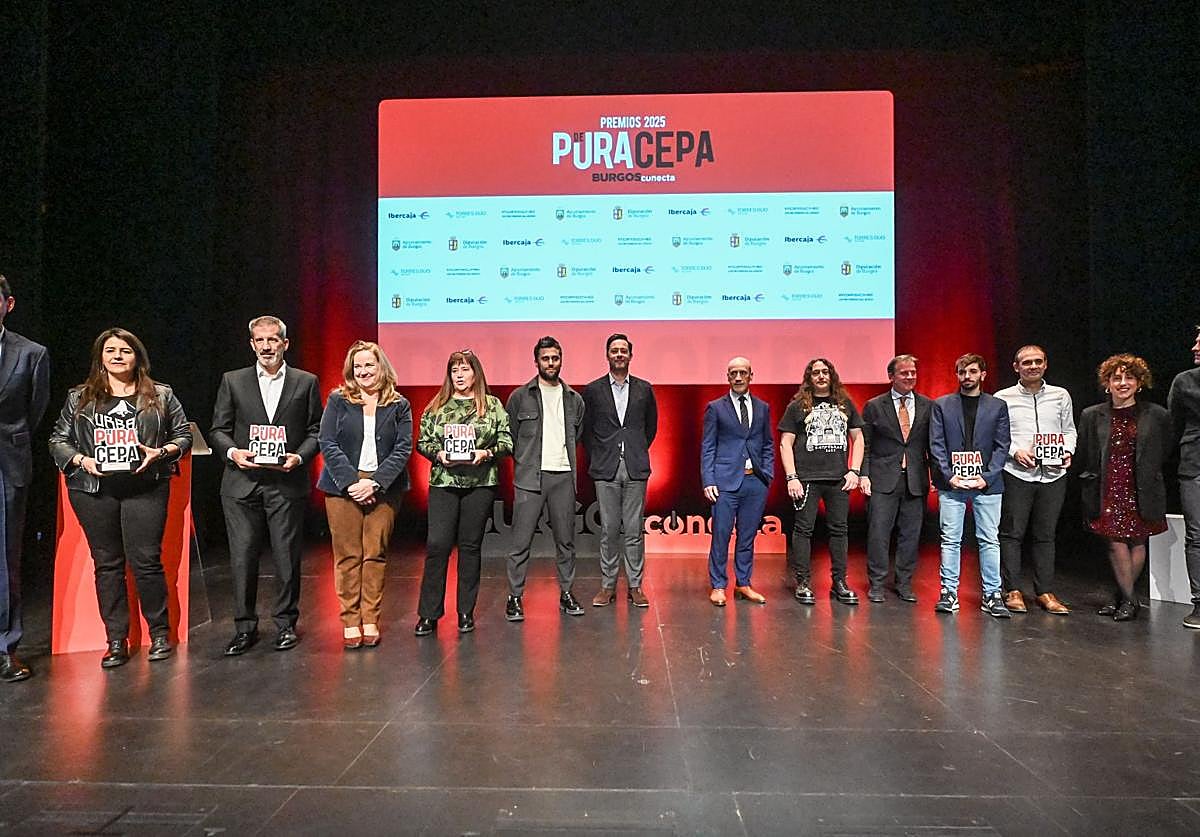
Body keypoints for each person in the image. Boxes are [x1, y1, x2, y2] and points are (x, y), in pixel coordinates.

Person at [48, 328, 191, 668]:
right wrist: (82, 460)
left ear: (137, 357)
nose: (117, 356)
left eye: (125, 350)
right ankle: (116, 640)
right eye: (110, 350)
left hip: (145, 486)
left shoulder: (161, 394)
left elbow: (183, 435)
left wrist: (160, 453)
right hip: (94, 490)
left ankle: (159, 634)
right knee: (108, 565)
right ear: (100, 357)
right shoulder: (79, 397)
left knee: (146, 561)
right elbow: (57, 440)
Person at [211, 315, 322, 655]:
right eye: (260, 340)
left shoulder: (306, 381)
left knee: (286, 557)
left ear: (285, 343)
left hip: (286, 482)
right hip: (241, 483)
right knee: (242, 557)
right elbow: (218, 430)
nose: (266, 346)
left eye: (273, 339)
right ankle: (244, 628)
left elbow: (316, 430)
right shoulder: (233, 380)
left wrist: (298, 457)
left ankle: (285, 625)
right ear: (252, 344)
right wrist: (234, 453)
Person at [317, 341, 411, 648]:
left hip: (384, 488)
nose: (363, 371)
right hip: (342, 488)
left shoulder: (399, 404)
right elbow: (327, 442)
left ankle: (370, 618)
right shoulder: (338, 399)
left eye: (369, 364)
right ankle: (350, 620)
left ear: (381, 367)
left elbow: (403, 448)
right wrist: (351, 483)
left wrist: (375, 483)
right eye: (357, 366)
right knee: (348, 556)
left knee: (375, 553)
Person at [416, 349, 510, 635]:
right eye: (454, 370)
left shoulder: (492, 405)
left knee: (470, 547)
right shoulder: (437, 405)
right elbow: (422, 442)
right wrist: (439, 454)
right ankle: (429, 614)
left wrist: (486, 453)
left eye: (464, 369)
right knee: (437, 545)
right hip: (444, 482)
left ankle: (465, 611)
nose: (459, 375)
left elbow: (507, 442)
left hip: (480, 484)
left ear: (475, 373)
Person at [1076, 354, 1172, 621]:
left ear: (1139, 383)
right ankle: (1129, 598)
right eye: (1116, 378)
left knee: (1138, 539)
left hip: (1142, 487)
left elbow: (1166, 448)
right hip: (1107, 486)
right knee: (1114, 541)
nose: (1122, 383)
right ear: (1107, 383)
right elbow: (1084, 450)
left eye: (1129, 377)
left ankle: (1124, 598)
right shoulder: (1092, 415)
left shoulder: (1157, 414)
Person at [505, 336, 586, 621]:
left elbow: (578, 435)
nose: (551, 363)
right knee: (520, 542)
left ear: (561, 360)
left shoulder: (575, 399)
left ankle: (566, 593)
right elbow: (511, 437)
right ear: (536, 361)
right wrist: (525, 462)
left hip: (563, 476)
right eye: (545, 358)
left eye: (555, 358)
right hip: (530, 478)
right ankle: (514, 597)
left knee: (566, 542)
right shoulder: (520, 397)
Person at [929, 353, 1012, 618]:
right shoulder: (942, 405)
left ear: (982, 374)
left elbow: (1002, 446)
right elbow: (936, 444)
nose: (967, 376)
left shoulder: (997, 406)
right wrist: (948, 475)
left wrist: (987, 477)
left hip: (987, 484)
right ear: (957, 375)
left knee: (989, 539)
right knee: (950, 540)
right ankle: (948, 593)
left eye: (973, 371)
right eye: (962, 372)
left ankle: (992, 594)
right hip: (951, 484)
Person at [995, 345, 1076, 615]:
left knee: (1046, 535)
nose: (1033, 366)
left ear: (1045, 364)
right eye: (1027, 362)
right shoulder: (1002, 398)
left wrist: (1068, 451)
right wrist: (1014, 451)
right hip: (1016, 473)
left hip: (1053, 474)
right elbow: (996, 435)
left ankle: (1044, 592)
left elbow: (1069, 430)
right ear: (1016, 367)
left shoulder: (1060, 395)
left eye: (1037, 361)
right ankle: (1012, 590)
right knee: (1012, 533)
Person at [778, 358, 864, 605]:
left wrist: (854, 471)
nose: (821, 376)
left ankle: (839, 582)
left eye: (825, 372)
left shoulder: (845, 403)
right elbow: (785, 443)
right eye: (815, 372)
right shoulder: (797, 406)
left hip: (839, 479)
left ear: (831, 375)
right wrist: (792, 477)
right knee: (803, 530)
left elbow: (859, 438)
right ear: (809, 377)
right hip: (806, 479)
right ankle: (803, 582)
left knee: (840, 530)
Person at [582, 334, 658, 608]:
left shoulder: (644, 389)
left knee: (635, 530)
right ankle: (608, 586)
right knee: (609, 530)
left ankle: (635, 586)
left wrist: (635, 449)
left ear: (630, 355)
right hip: (606, 468)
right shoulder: (593, 390)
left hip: (635, 466)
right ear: (607, 355)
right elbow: (586, 431)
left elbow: (651, 427)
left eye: (623, 350)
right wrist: (602, 454)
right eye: (614, 350)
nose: (619, 355)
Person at [0, 276, 49, 682]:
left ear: (8, 304)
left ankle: (5, 646)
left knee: (5, 559)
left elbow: (36, 410)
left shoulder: (31, 353)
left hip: (7, 464)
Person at [701, 356, 774, 606]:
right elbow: (708, 446)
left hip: (755, 482)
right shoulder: (715, 408)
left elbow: (767, 444)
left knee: (747, 536)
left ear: (751, 376)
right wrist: (708, 479)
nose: (738, 377)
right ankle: (718, 585)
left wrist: (767, 474)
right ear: (728, 377)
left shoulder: (762, 407)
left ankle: (743, 583)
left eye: (743, 372)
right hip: (724, 482)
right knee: (721, 535)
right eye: (734, 373)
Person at [859, 354, 932, 603]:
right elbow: (865, 444)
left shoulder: (927, 405)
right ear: (891, 376)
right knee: (879, 534)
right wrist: (864, 474)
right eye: (904, 373)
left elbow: (932, 445)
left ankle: (904, 583)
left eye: (913, 372)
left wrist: (935, 476)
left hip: (915, 479)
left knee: (910, 535)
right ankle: (877, 584)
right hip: (882, 479)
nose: (910, 377)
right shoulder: (874, 405)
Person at [1168, 326, 1200, 629]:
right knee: (1197, 535)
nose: (1195, 348)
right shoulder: (1184, 381)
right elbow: (1174, 424)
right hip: (1195, 466)